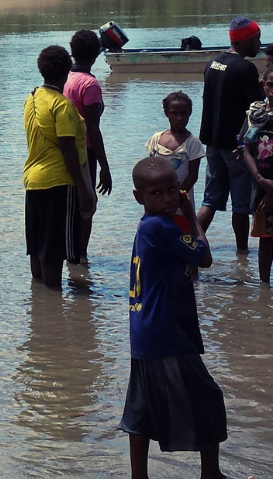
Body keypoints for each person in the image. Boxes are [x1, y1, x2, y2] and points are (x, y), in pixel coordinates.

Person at [119, 157, 225, 479]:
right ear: (140, 197)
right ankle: (211, 474)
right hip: (165, 333)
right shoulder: (162, 227)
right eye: (157, 194)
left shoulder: (147, 225)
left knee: (141, 409)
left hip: (144, 331)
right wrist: (190, 212)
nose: (166, 199)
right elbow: (204, 257)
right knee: (208, 398)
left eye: (171, 191)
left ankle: (140, 476)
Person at [23, 45, 98, 288]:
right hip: (58, 183)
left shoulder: (32, 98)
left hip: (33, 181)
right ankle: (54, 299)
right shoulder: (62, 106)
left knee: (37, 248)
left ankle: (43, 309)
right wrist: (83, 188)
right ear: (67, 71)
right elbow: (68, 149)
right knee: (54, 250)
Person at [197, 16, 263, 251]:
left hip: (212, 145)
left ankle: (190, 244)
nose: (260, 44)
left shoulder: (212, 64)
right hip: (236, 148)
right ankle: (242, 253)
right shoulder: (245, 68)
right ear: (245, 40)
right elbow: (256, 112)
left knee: (210, 201)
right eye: (257, 39)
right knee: (241, 206)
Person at [63, 29, 115, 262]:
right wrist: (105, 167)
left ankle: (70, 252)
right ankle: (80, 256)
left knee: (71, 203)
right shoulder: (89, 84)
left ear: (72, 53)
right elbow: (93, 129)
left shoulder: (63, 79)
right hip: (85, 153)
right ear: (96, 55)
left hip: (63, 151)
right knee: (86, 205)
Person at [145, 91, 206, 234]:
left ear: (190, 113)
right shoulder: (156, 139)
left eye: (184, 113)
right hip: (157, 200)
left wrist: (176, 195)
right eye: (174, 113)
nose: (179, 118)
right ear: (166, 113)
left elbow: (193, 175)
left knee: (182, 235)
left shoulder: (193, 143)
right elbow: (149, 169)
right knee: (157, 233)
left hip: (181, 202)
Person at [240, 68, 273, 283]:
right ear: (264, 84)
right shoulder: (255, 114)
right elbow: (246, 149)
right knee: (266, 240)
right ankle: (264, 289)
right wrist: (260, 180)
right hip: (261, 187)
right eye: (271, 84)